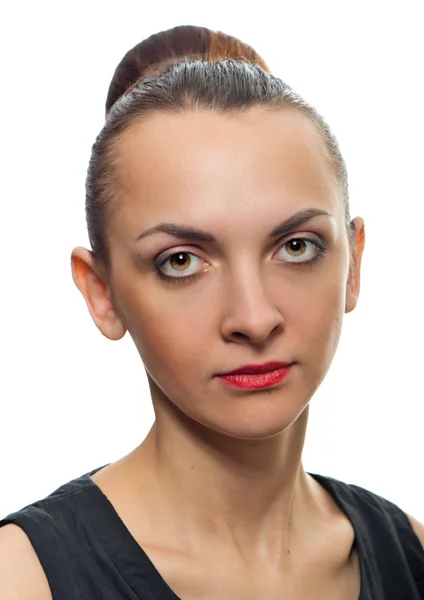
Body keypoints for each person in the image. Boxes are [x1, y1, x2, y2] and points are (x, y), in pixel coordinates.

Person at [1, 24, 423, 600]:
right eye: (181, 261)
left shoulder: (413, 557)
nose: (253, 318)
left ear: (353, 265)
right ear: (102, 293)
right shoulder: (22, 580)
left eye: (296, 246)